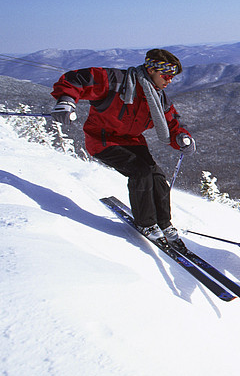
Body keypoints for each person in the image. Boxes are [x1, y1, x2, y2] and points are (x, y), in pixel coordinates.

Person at [50, 49, 195, 245]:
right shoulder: (116, 81)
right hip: (102, 140)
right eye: (166, 75)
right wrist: (66, 100)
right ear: (151, 69)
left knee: (158, 177)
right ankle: (146, 223)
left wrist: (181, 137)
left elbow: (172, 122)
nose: (169, 81)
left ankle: (164, 222)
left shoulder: (158, 98)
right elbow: (78, 79)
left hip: (132, 141)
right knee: (140, 172)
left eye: (172, 77)